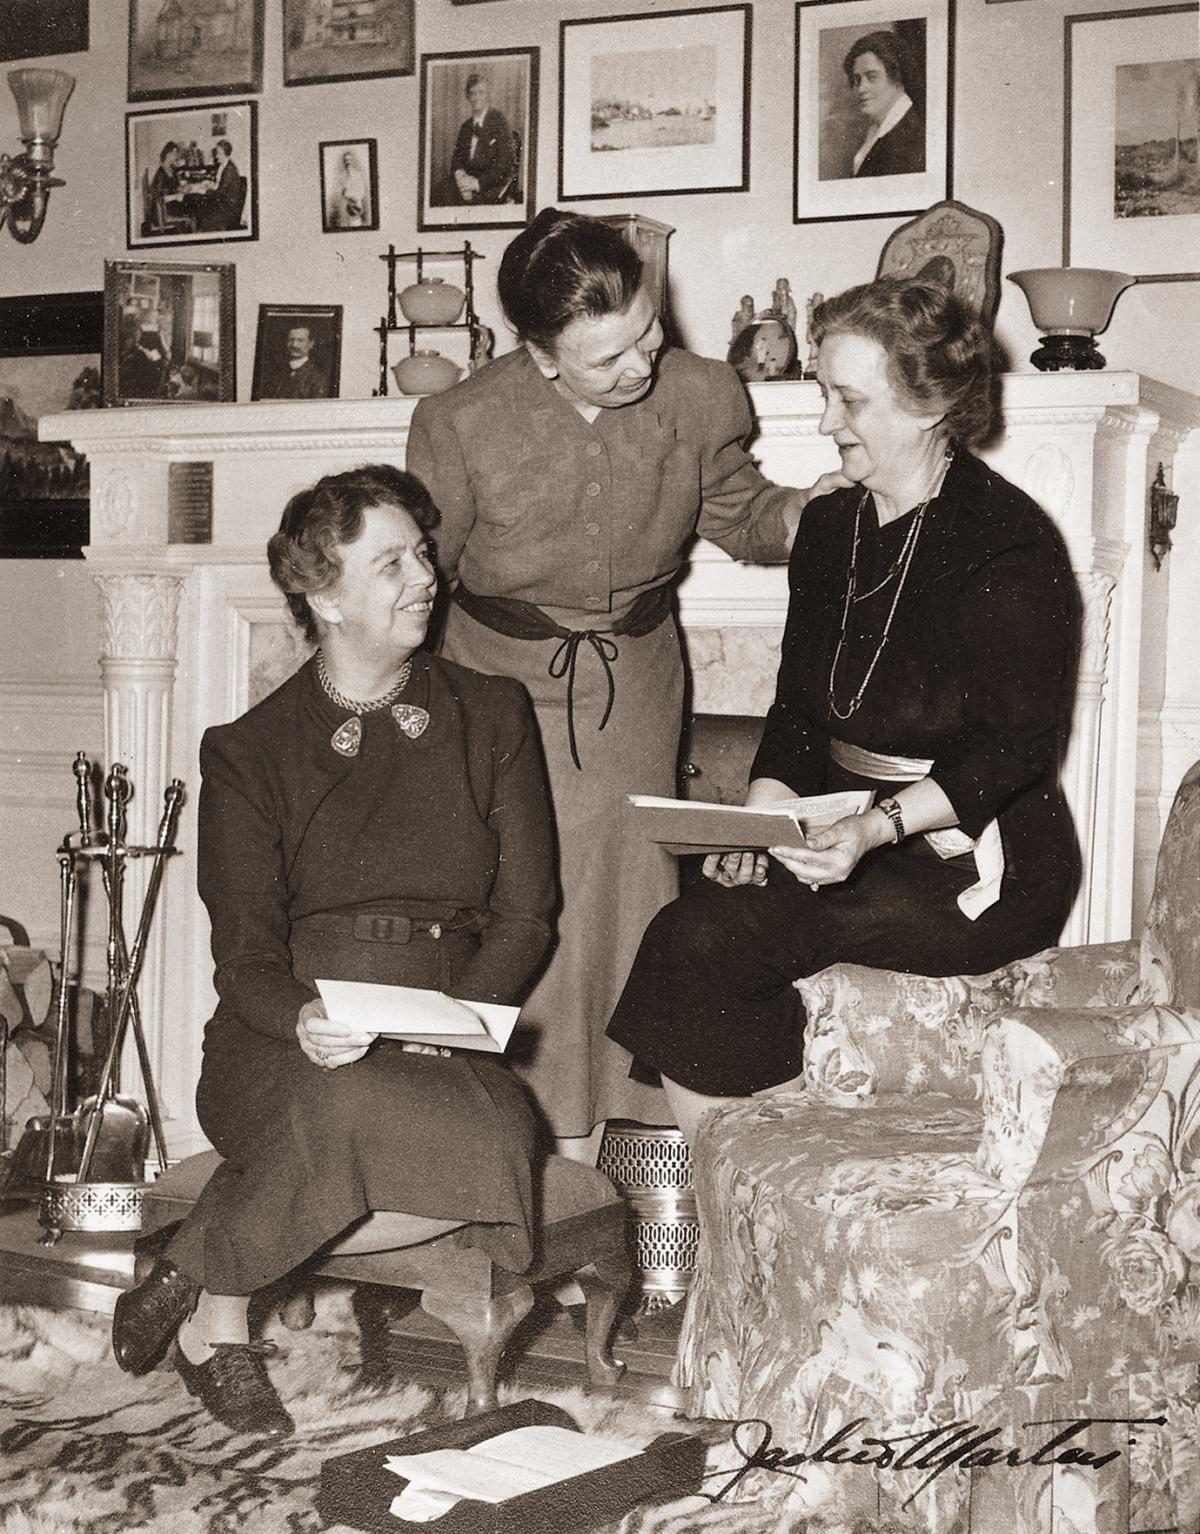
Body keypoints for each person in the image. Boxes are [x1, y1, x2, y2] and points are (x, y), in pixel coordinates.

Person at [110, 465, 555, 1437]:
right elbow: (246, 958)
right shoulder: (248, 750)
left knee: (471, 1130)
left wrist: (451, 1025)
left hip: (449, 1029)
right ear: (323, 596)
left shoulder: (493, 715)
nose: (425, 575)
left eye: (424, 552)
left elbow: (527, 915)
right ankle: (219, 1316)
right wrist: (306, 1020)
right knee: (336, 1091)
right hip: (283, 1038)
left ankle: (200, 1284)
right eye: (390, 561)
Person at [406, 208, 845, 1149]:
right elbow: (419, 579)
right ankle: (526, 1147)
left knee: (635, 898)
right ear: (539, 353)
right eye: (607, 358)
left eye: (645, 332)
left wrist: (810, 514)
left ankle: (634, 1145)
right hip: (499, 684)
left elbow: (739, 512)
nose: (641, 365)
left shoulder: (699, 392)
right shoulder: (460, 421)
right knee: (525, 900)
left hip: (637, 679)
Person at [607, 276, 1078, 1147]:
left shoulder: (1008, 545)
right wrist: (764, 821)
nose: (825, 422)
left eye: (849, 399)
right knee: (691, 925)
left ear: (931, 404)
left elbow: (1013, 754)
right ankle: (743, 1194)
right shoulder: (831, 527)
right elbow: (797, 708)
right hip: (847, 829)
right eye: (826, 392)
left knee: (712, 945)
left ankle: (752, 1180)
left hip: (974, 860)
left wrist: (872, 831)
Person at [843, 31, 925, 178]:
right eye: (857, 79)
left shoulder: (912, 138)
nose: (861, 88)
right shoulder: (876, 131)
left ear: (898, 78)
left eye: (871, 77)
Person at [433, 71, 517, 206]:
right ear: (467, 96)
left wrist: (476, 184)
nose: (476, 97)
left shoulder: (499, 120)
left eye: (481, 92)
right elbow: (457, 159)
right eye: (472, 93)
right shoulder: (465, 126)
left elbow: (504, 164)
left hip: (489, 183)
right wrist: (461, 180)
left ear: (488, 95)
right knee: (440, 191)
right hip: (466, 182)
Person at [267, 323, 330, 399]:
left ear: (310, 344)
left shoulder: (318, 377)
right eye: (291, 340)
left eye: (300, 340)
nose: (294, 345)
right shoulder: (276, 372)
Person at [193, 139, 243, 232]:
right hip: (222, 205)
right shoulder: (224, 166)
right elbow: (220, 186)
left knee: (202, 216)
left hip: (228, 210)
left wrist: (204, 191)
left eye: (219, 153)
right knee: (199, 210)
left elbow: (220, 193)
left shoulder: (229, 171)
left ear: (226, 154)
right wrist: (210, 185)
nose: (216, 156)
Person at [329, 147, 369, 228]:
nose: (348, 162)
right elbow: (339, 191)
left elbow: (361, 190)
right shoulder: (342, 175)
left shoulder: (357, 175)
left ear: (352, 161)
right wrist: (344, 195)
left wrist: (355, 198)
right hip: (344, 204)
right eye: (346, 160)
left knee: (355, 224)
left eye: (349, 160)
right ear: (344, 162)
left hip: (355, 204)